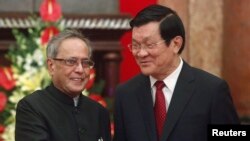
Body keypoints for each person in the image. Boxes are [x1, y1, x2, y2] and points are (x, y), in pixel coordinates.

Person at [113, 4, 240, 141]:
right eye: (136, 46)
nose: (141, 53)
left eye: (149, 45)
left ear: (176, 44)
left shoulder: (212, 90)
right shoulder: (126, 94)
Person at [15, 29, 111, 141]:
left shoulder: (99, 112)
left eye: (85, 62)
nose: (80, 69)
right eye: (71, 61)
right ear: (51, 66)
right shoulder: (32, 107)